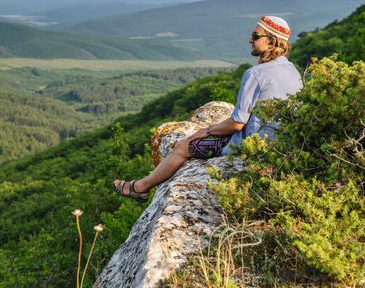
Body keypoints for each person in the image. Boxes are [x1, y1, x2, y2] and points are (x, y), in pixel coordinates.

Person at [112, 16, 304, 202]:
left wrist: (206, 130)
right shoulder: (292, 70)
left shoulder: (255, 74)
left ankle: (140, 188)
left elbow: (237, 123)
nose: (250, 40)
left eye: (255, 36)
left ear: (271, 42)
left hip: (254, 146)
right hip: (284, 145)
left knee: (183, 146)